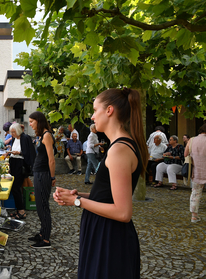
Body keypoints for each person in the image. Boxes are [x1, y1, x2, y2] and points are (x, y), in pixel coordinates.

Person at [53, 88, 147, 279]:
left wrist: (78, 202)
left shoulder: (119, 149)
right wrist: (77, 196)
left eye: (95, 110)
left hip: (109, 237)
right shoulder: (120, 145)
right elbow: (109, 195)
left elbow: (123, 213)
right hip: (104, 232)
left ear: (109, 110)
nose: (93, 116)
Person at [28, 111, 55, 249]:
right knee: (39, 205)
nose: (30, 124)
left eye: (32, 122)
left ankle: (45, 240)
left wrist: (52, 177)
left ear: (38, 121)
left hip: (44, 174)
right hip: (39, 173)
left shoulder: (47, 135)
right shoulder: (42, 135)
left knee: (43, 206)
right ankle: (42, 233)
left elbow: (51, 159)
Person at [8, 123, 36, 220]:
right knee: (15, 187)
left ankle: (21, 211)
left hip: (20, 164)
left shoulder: (25, 138)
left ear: (18, 131)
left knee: (16, 187)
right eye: (11, 132)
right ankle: (18, 209)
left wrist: (19, 153)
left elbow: (29, 153)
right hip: (14, 163)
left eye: (13, 132)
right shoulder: (14, 139)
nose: (12, 134)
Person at [185, 123, 206, 222]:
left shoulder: (192, 140)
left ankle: (194, 216)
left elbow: (185, 154)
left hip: (197, 171)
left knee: (195, 193)